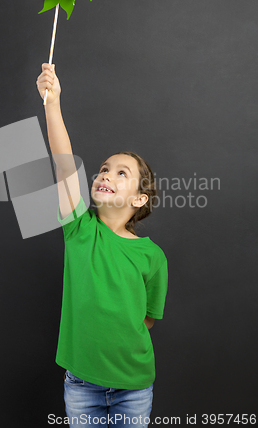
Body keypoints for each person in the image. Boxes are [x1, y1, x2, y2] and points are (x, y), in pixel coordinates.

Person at [36, 63, 168, 428]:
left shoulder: (153, 257)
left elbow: (146, 319)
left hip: (134, 388)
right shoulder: (79, 229)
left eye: (121, 173)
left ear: (140, 200)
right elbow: (63, 162)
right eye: (104, 168)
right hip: (81, 386)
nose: (106, 173)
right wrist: (52, 102)